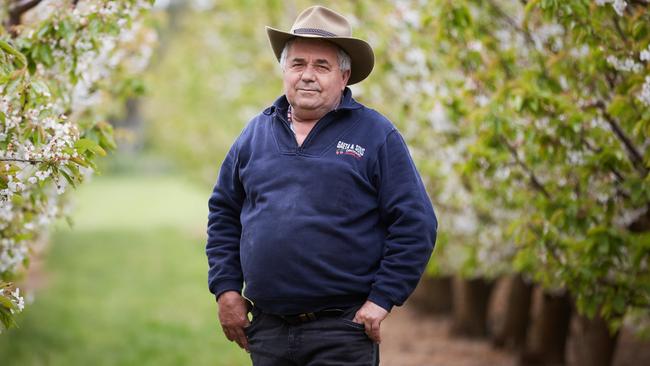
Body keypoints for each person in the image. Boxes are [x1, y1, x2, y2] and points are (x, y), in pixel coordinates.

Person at [206, 5, 437, 365]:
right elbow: (223, 212)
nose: (307, 75)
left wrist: (381, 299)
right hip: (266, 331)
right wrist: (225, 289)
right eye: (298, 64)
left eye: (321, 66)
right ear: (285, 70)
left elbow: (415, 222)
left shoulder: (376, 136)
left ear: (344, 77)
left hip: (341, 331)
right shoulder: (254, 134)